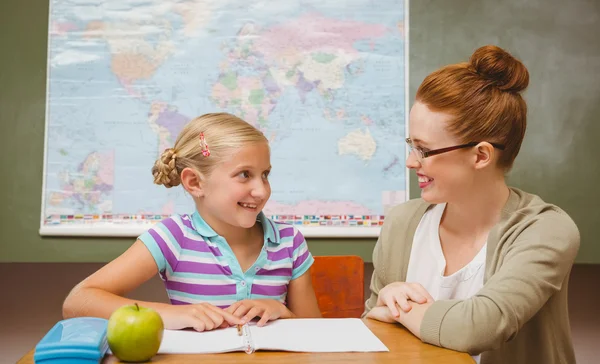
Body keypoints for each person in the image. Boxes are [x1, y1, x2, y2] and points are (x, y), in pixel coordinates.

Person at [363, 45, 579, 364]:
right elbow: (375, 325)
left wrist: (401, 310)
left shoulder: (546, 231)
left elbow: (479, 328)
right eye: (411, 145)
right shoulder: (402, 222)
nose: (410, 161)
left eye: (423, 150)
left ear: (480, 155)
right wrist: (389, 309)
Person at [63, 112, 322, 331]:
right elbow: (78, 302)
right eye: (245, 175)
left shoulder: (289, 241)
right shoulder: (173, 237)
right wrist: (169, 315)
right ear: (195, 183)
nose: (262, 190)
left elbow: (317, 334)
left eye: (264, 175)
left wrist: (283, 313)